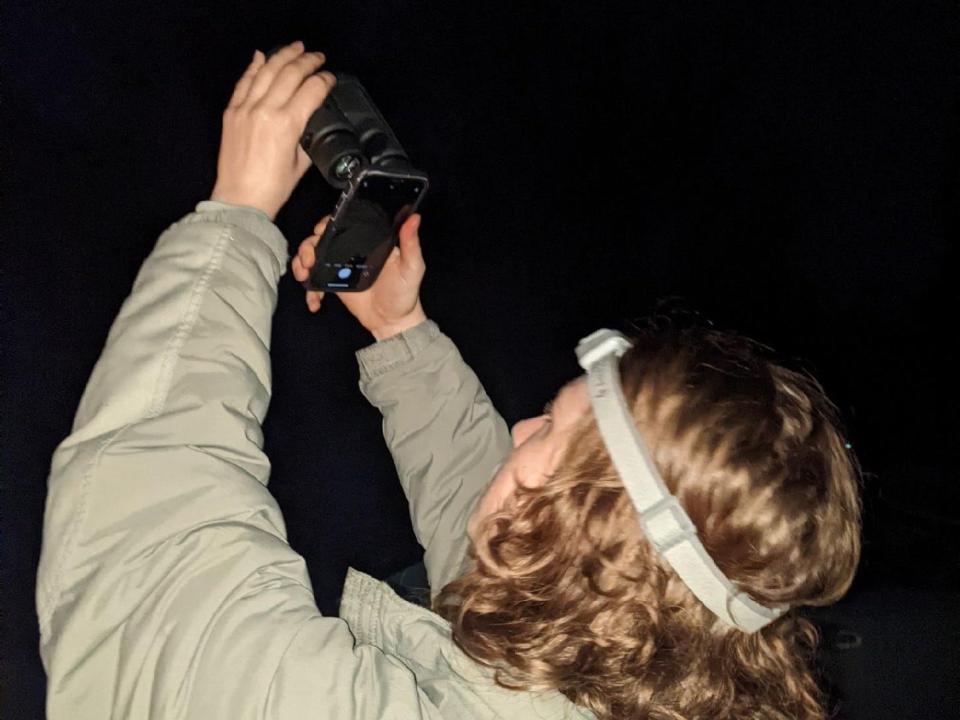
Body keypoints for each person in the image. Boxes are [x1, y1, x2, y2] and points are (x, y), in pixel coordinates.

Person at [36, 42, 861, 720]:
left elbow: (147, 573)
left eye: (550, 427)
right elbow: (497, 538)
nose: (520, 430)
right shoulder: (641, 666)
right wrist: (403, 334)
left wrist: (237, 216)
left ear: (602, 534)